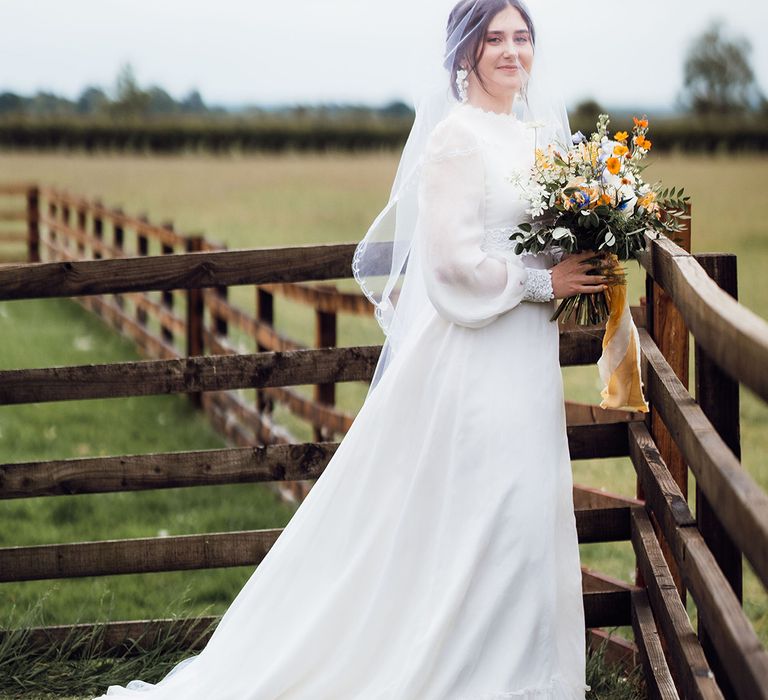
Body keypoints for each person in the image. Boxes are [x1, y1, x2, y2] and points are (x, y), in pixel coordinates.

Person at [94, 1, 599, 697]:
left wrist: (601, 229)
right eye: (495, 40)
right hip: (475, 356)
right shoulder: (457, 140)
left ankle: (519, 671)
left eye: (522, 38)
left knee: (524, 503)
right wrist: (546, 282)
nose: (512, 52)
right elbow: (451, 265)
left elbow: (531, 232)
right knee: (488, 501)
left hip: (523, 354)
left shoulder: (534, 138)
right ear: (465, 54)